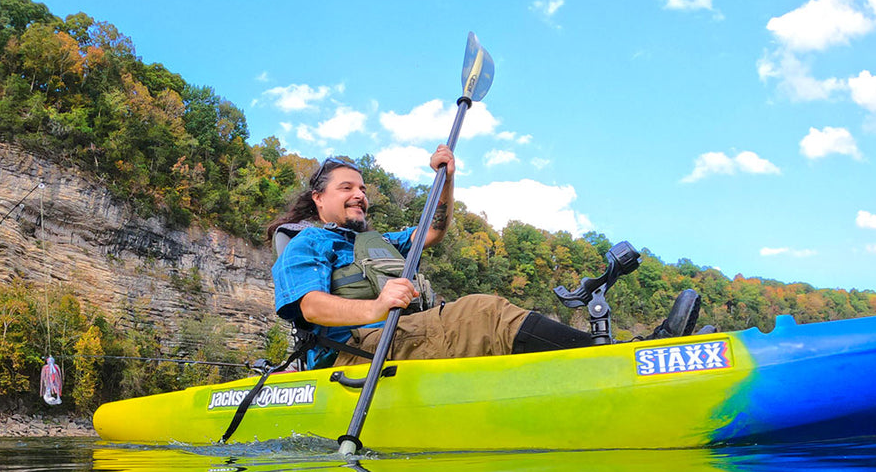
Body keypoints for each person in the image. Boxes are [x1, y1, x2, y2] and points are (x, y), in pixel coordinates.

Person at [268, 152, 696, 369]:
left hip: (402, 339)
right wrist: (377, 306)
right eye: (346, 188)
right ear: (319, 198)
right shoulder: (307, 244)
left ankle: (616, 359)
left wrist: (447, 179)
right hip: (352, 355)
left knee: (482, 318)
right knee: (481, 312)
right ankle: (620, 362)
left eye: (361, 188)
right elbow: (309, 307)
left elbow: (432, 230)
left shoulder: (380, 241)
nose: (359, 194)